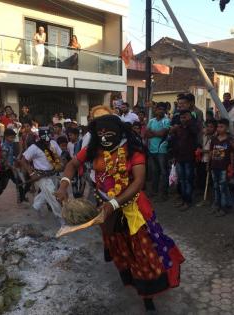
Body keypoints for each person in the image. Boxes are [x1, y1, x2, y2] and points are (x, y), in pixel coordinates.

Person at [55, 113, 185, 312]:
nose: (104, 136)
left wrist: (114, 203)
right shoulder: (94, 149)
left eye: (109, 132)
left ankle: (148, 297)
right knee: (121, 250)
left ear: (119, 132)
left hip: (132, 209)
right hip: (106, 210)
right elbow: (72, 165)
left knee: (142, 252)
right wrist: (64, 185)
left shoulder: (133, 150)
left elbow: (139, 181)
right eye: (100, 133)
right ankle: (133, 280)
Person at [21, 127, 63, 219]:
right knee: (53, 196)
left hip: (53, 174)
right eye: (45, 138)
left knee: (45, 194)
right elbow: (23, 161)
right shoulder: (34, 147)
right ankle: (61, 219)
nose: (47, 140)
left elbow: (60, 155)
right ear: (40, 137)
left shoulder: (53, 143)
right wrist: (31, 173)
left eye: (49, 137)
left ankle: (36, 206)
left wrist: (61, 165)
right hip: (41, 176)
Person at [170, 109, 199, 210]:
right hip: (179, 157)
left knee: (188, 180)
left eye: (185, 117)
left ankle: (188, 201)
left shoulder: (193, 127)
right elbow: (175, 143)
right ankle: (183, 200)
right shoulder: (178, 128)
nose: (183, 119)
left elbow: (195, 132)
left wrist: (190, 122)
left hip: (189, 158)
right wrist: (174, 156)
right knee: (181, 180)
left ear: (190, 117)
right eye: (182, 117)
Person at [145, 102, 171, 200]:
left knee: (164, 172)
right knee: (154, 172)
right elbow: (146, 134)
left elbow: (162, 133)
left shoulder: (166, 121)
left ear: (165, 111)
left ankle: (164, 193)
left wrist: (154, 133)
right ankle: (154, 191)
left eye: (162, 109)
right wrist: (156, 133)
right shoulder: (151, 121)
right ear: (155, 110)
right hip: (152, 149)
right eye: (158, 109)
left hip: (162, 150)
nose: (160, 111)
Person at [209, 118, 233, 217]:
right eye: (218, 127)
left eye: (221, 127)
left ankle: (223, 207)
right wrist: (209, 165)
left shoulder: (229, 140)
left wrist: (232, 166)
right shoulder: (214, 139)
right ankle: (216, 205)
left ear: (226, 128)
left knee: (222, 187)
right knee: (215, 186)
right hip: (214, 166)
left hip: (224, 168)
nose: (219, 129)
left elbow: (231, 154)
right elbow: (211, 153)